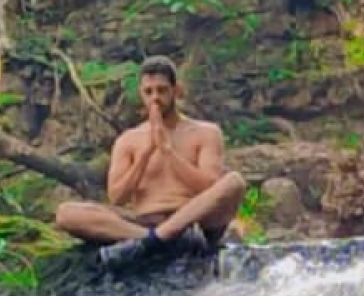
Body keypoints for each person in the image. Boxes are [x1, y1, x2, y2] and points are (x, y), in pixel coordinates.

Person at [54, 55, 247, 272]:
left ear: (177, 90)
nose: (155, 98)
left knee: (234, 182)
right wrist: (145, 154)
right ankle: (151, 239)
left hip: (195, 220)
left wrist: (168, 151)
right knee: (66, 213)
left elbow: (209, 187)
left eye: (162, 90)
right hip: (146, 222)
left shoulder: (205, 132)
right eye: (149, 92)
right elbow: (117, 197)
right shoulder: (128, 139)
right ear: (141, 95)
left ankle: (165, 237)